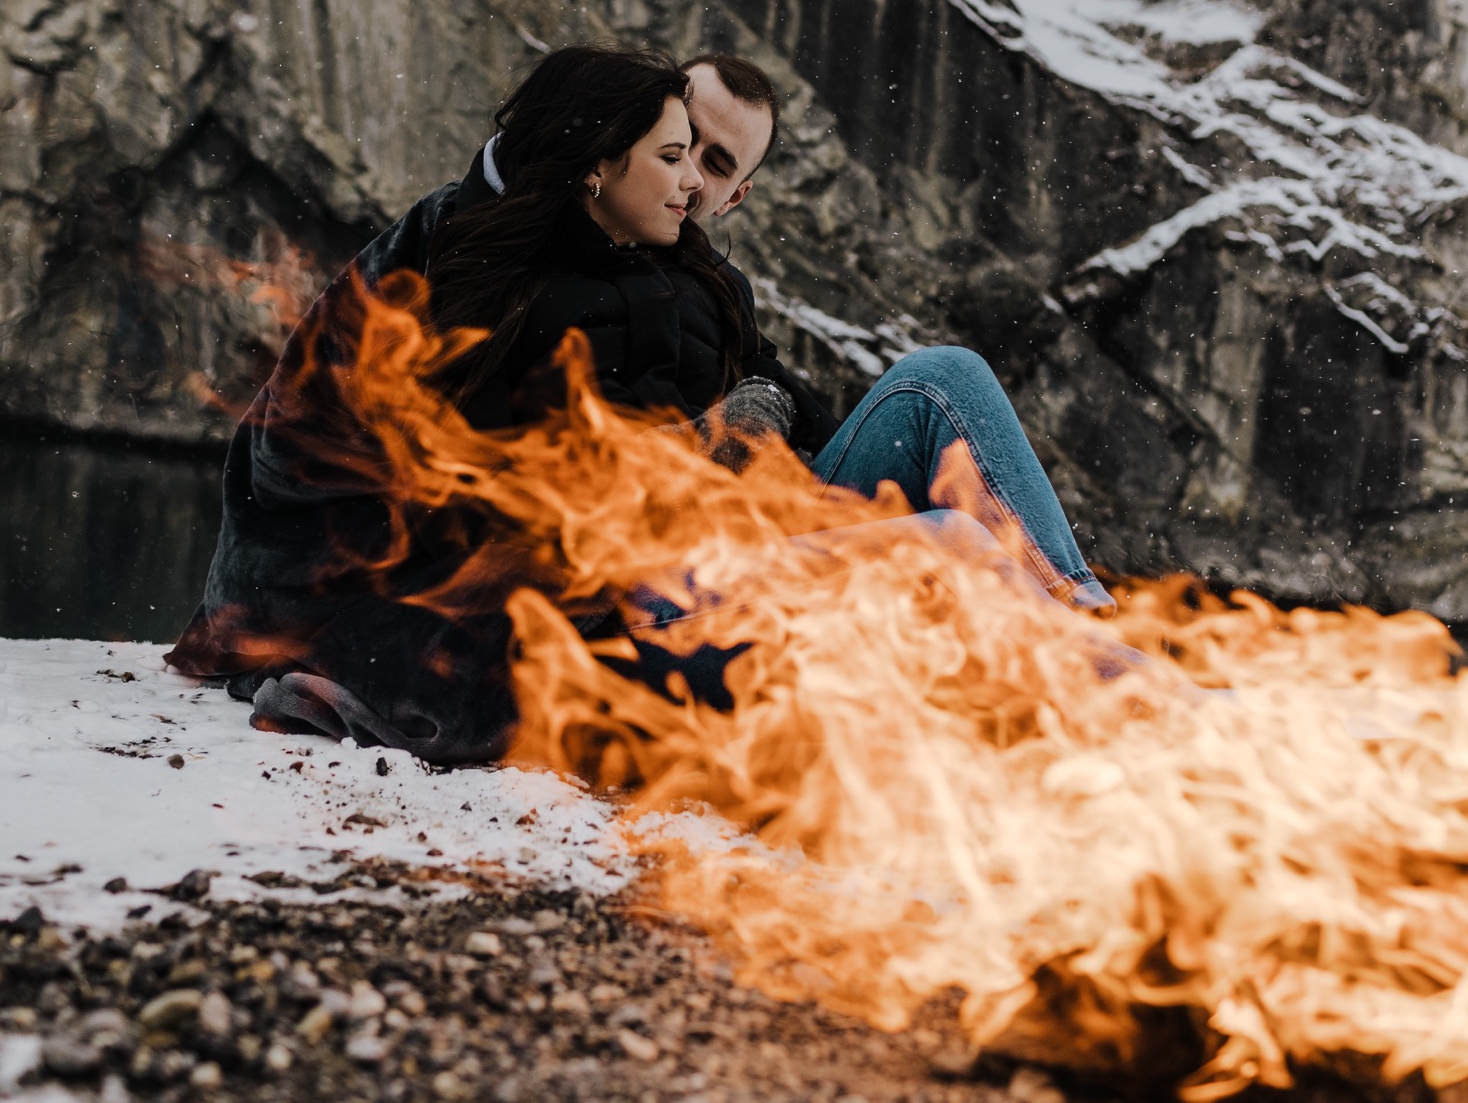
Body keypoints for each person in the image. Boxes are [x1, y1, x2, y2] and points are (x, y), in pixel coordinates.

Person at [169, 46, 1104, 764]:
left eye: (712, 163)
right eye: (676, 143)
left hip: (729, 542)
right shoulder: (491, 252)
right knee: (944, 551)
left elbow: (801, 416)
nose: (691, 175)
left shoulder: (709, 282)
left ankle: (1093, 629)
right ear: (609, 146)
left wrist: (762, 414)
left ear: (736, 196)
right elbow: (462, 462)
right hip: (625, 583)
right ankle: (1087, 687)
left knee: (943, 382)